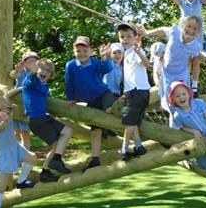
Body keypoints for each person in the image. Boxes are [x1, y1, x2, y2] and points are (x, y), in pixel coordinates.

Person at [64, 36, 117, 171]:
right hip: (92, 102)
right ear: (74, 51)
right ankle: (95, 159)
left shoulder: (95, 63)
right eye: (78, 50)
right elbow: (69, 83)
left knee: (110, 113)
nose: (81, 53)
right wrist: (71, 98)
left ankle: (111, 129)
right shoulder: (70, 66)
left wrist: (105, 57)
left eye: (84, 50)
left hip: (104, 95)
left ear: (91, 51)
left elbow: (108, 68)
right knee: (95, 132)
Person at [139, 15, 206, 112]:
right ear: (183, 26)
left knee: (182, 100)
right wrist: (147, 33)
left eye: (195, 29)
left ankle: (185, 119)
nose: (191, 30)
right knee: (168, 101)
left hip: (181, 75)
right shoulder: (174, 32)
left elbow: (199, 54)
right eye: (189, 26)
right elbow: (162, 30)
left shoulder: (195, 46)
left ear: (198, 32)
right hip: (168, 74)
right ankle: (174, 120)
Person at [0, 96, 37, 208]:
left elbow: (9, 98)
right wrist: (5, 119)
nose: (4, 112)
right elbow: (0, 129)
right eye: (0, 111)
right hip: (3, 154)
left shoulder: (10, 114)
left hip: (15, 147)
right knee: (1, 187)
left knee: (32, 157)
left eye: (6, 109)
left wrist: (11, 109)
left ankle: (21, 181)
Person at [20, 58, 73, 181]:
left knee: (67, 131)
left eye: (48, 71)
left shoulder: (45, 87)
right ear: (37, 70)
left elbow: (46, 101)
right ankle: (48, 168)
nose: (45, 72)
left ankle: (53, 163)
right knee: (56, 143)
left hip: (44, 117)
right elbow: (32, 75)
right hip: (35, 120)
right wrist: (33, 68)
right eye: (42, 69)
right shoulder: (30, 81)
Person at [169, 0, 206, 96]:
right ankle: (185, 82)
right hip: (185, 32)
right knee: (186, 58)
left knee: (197, 59)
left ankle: (194, 85)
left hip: (196, 32)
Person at [117, 22, 152, 161]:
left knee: (130, 123)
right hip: (133, 91)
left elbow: (147, 64)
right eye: (122, 36)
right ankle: (138, 146)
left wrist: (138, 51)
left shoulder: (136, 51)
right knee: (134, 121)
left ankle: (125, 149)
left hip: (137, 91)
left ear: (135, 38)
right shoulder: (126, 53)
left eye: (128, 36)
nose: (125, 39)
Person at [8, 51, 39, 150]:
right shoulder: (21, 71)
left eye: (34, 61)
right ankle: (16, 153)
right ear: (24, 62)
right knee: (15, 131)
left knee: (25, 133)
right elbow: (12, 75)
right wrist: (17, 70)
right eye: (29, 61)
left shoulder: (37, 73)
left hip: (26, 105)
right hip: (15, 103)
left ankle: (26, 155)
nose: (32, 63)